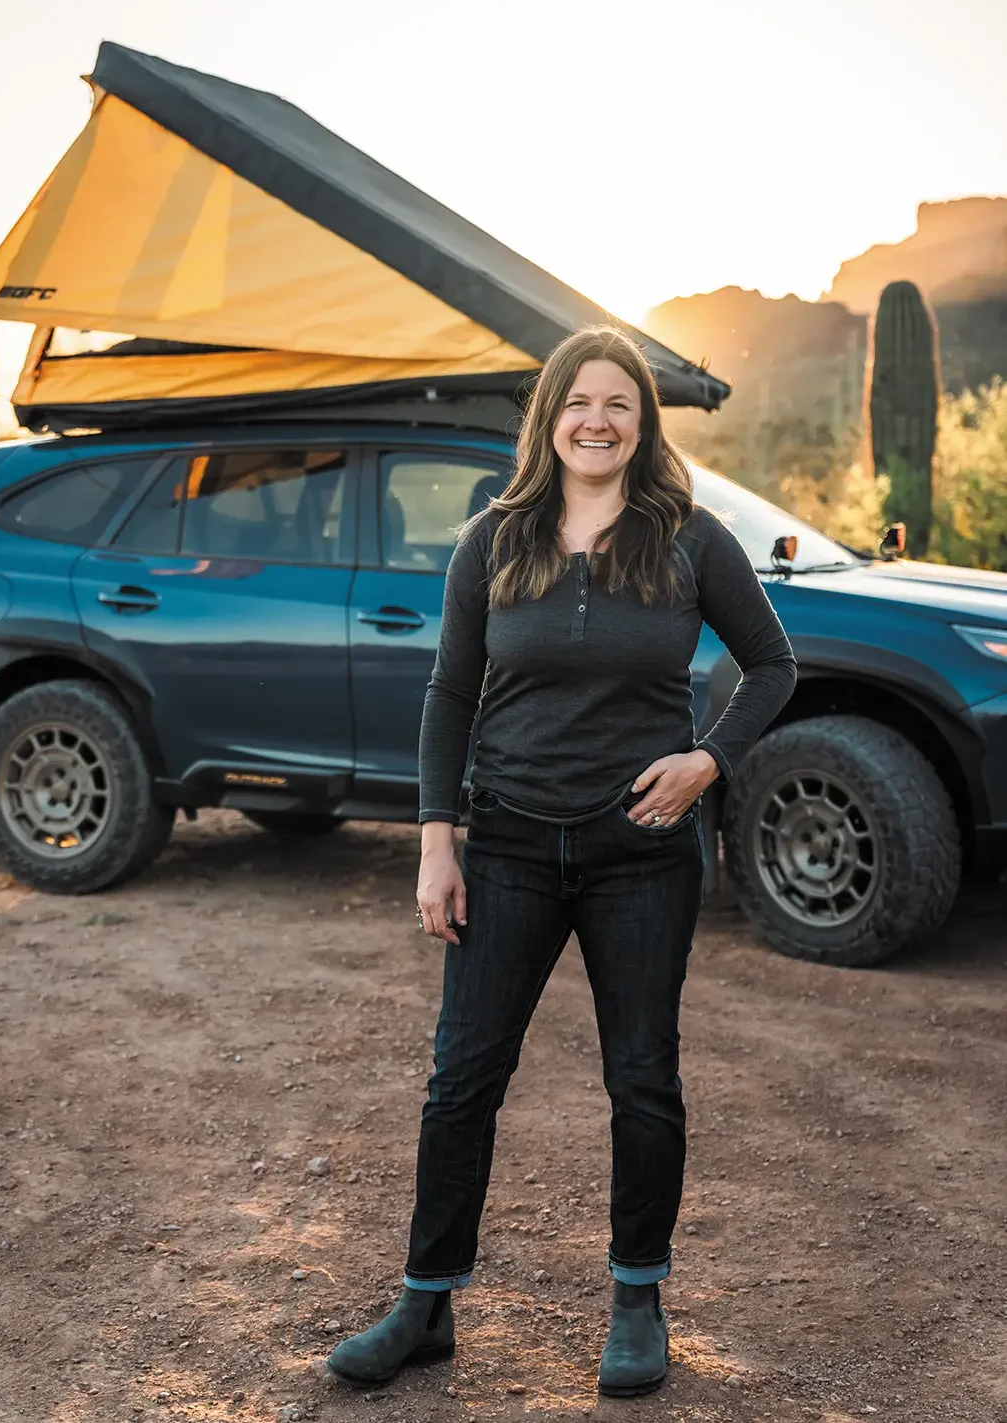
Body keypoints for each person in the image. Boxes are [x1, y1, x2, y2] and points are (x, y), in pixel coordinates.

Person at [327, 326, 797, 1397]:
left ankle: (637, 1299)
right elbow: (451, 693)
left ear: (642, 423)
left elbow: (772, 664)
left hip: (643, 852)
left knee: (642, 1078)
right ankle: (424, 1302)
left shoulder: (690, 539)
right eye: (578, 401)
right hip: (509, 844)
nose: (597, 419)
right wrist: (436, 842)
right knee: (461, 1078)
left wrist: (708, 760)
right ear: (549, 419)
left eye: (618, 403)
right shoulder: (493, 539)